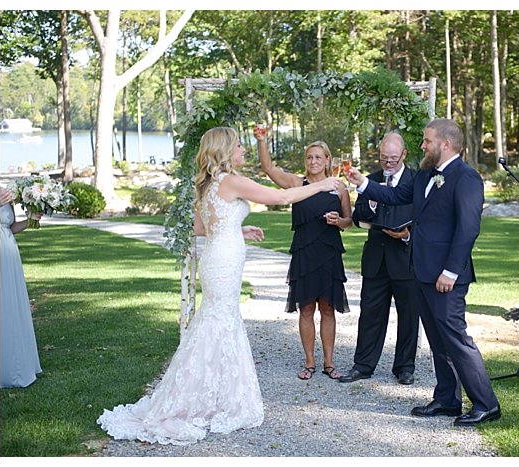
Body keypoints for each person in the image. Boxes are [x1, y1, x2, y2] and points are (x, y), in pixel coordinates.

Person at [98, 127, 342, 445]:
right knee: (220, 321)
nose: (243, 150)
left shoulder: (209, 183)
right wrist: (324, 184)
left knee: (214, 321)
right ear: (226, 150)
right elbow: (282, 197)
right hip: (223, 262)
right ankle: (207, 398)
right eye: (240, 145)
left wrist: (237, 231)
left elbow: (203, 227)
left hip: (216, 257)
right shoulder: (231, 180)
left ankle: (208, 393)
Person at [346, 118, 501, 426]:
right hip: (421, 271)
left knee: (456, 339)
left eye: (427, 141)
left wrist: (451, 272)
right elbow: (393, 196)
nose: (422, 146)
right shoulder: (426, 175)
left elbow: (468, 229)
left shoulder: (466, 178)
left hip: (446, 276)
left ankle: (486, 404)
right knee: (437, 340)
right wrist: (362, 182)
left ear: (445, 143)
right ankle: (447, 399)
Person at [255, 127, 352, 381]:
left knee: (328, 310)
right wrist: (262, 140)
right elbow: (269, 169)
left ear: (328, 160)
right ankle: (309, 362)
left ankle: (329, 363)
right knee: (306, 309)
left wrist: (337, 222)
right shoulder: (298, 184)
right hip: (304, 253)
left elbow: (349, 221)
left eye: (318, 157)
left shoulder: (339, 187)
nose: (313, 161)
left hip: (329, 252)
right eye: (309, 157)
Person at [339, 133, 418, 385]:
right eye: (384, 158)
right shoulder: (370, 180)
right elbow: (357, 215)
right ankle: (363, 365)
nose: (388, 163)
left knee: (408, 315)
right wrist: (371, 206)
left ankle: (405, 367)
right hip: (376, 258)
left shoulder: (416, 180)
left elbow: (425, 219)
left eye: (393, 159)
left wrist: (407, 235)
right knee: (370, 314)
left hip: (405, 257)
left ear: (403, 155)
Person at [0, 187, 43, 388]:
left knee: (10, 306)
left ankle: (14, 366)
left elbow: (9, 226)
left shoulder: (6, 192)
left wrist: (31, 219)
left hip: (8, 252)